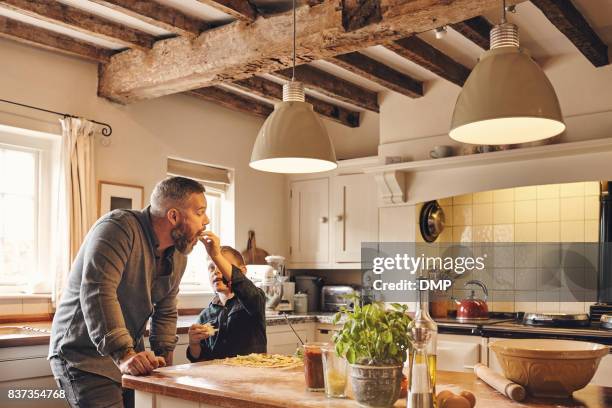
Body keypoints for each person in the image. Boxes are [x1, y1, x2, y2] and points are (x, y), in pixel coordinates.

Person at [48, 176, 212, 408]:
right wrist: (124, 354)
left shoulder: (177, 254)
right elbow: (98, 292)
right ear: (173, 216)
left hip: (130, 355)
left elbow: (165, 309)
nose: (206, 220)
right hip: (83, 356)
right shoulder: (118, 228)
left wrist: (165, 360)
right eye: (200, 212)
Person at [187, 241, 267, 362]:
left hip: (250, 374)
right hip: (218, 377)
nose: (216, 271)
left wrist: (217, 256)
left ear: (242, 271)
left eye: (222, 266)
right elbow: (200, 359)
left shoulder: (254, 300)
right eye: (211, 267)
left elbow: (244, 287)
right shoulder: (205, 316)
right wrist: (194, 344)